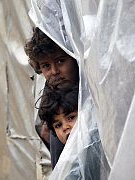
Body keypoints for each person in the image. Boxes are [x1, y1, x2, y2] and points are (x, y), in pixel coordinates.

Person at [24, 27, 79, 168]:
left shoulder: (92, 91)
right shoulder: (49, 101)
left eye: (60, 61)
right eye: (46, 66)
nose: (54, 72)